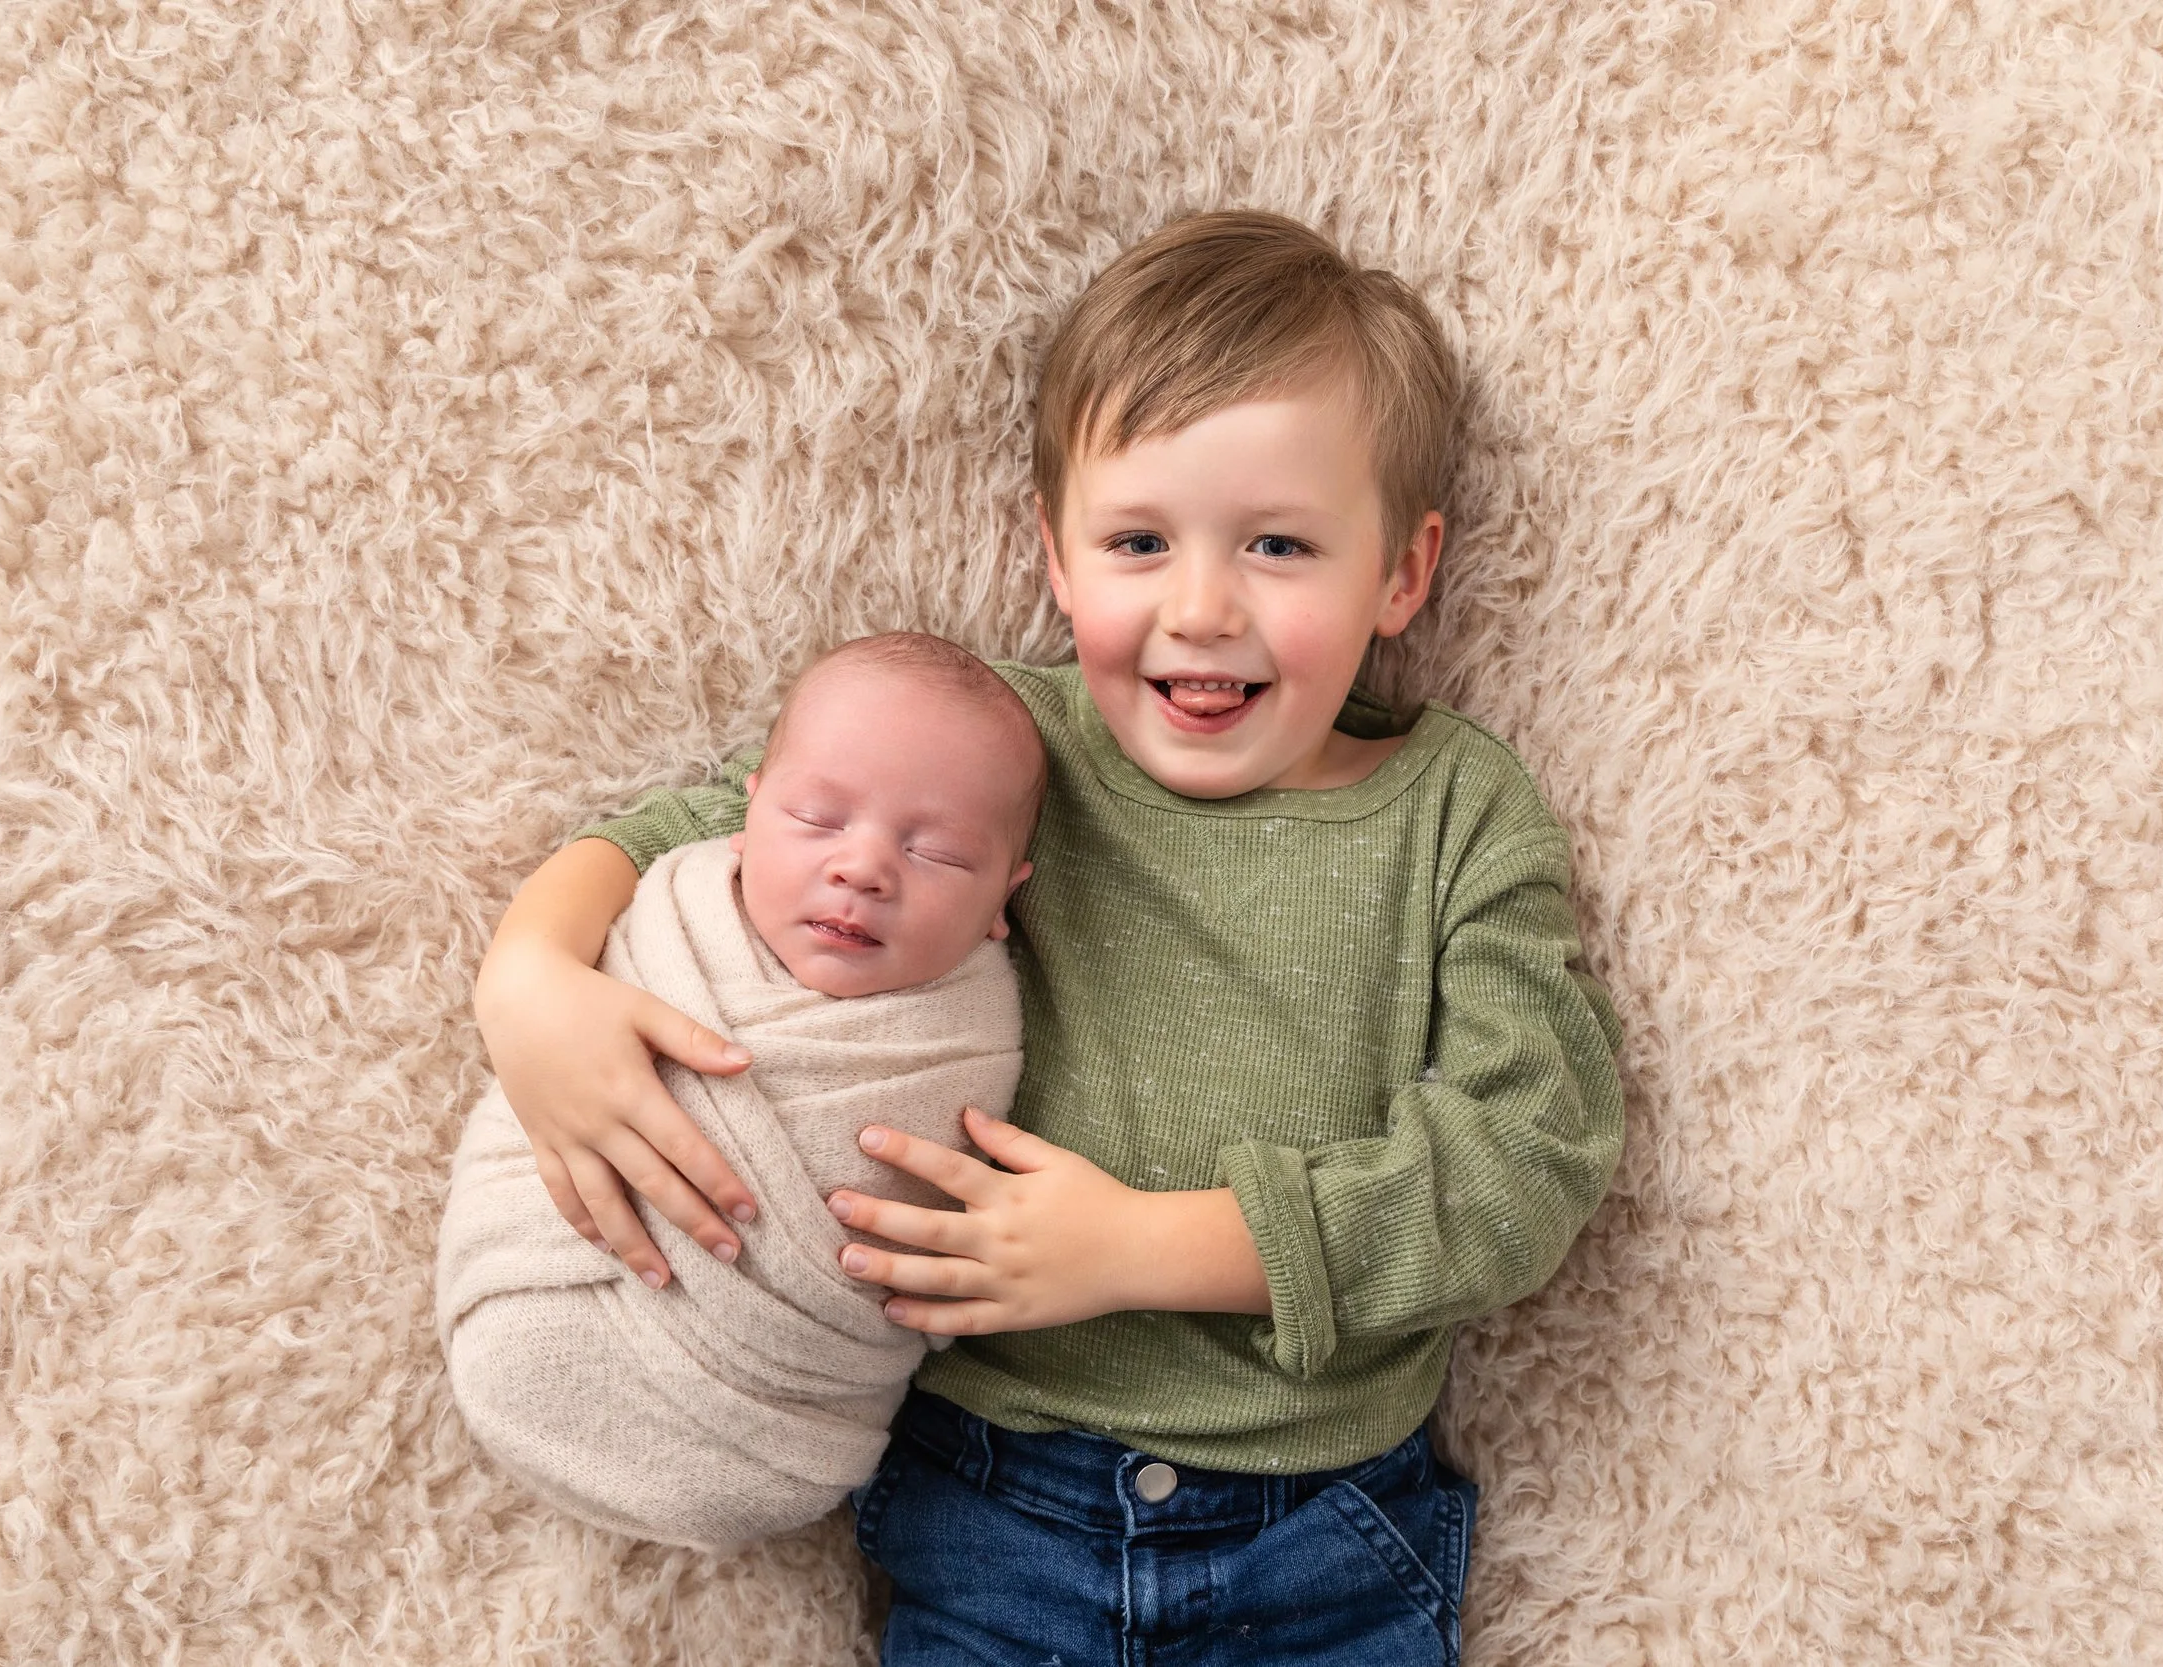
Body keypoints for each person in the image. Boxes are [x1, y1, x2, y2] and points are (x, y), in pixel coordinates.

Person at [472, 209, 1626, 1664]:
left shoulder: (1456, 806)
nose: (1201, 608)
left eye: (1280, 543)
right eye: (1139, 541)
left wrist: (1144, 1244)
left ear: (1402, 572)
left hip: (1319, 1522)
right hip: (995, 1496)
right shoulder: (1005, 748)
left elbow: (1532, 1157)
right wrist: (528, 973)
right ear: (1057, 558)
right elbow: (716, 819)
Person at [438, 634, 1042, 1552]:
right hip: (534, 1293)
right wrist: (529, 984)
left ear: (1006, 896)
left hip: (775, 1429)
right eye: (817, 818)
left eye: (941, 855)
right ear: (746, 811)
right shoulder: (677, 913)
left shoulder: (971, 1034)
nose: (864, 867)